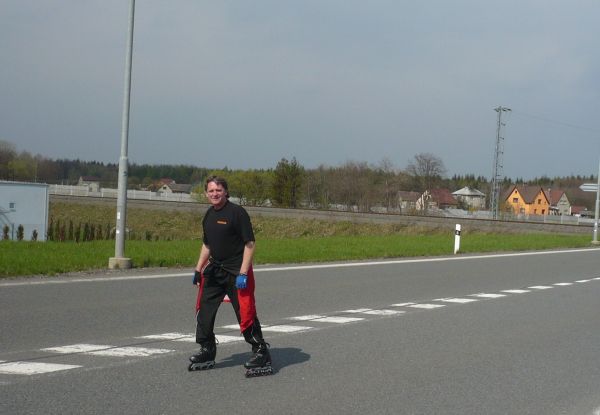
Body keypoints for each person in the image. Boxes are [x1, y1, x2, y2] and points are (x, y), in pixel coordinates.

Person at [188, 175, 272, 376]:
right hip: (215, 270)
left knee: (245, 312)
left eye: (218, 190)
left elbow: (250, 244)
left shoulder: (237, 213)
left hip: (236, 271)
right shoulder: (209, 215)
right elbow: (207, 245)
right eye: (211, 190)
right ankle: (207, 349)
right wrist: (198, 269)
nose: (215, 194)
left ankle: (260, 351)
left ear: (226, 191)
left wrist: (243, 273)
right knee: (203, 310)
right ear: (206, 193)